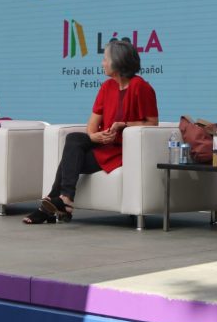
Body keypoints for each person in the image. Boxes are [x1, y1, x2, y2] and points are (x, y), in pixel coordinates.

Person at [23, 38, 159, 224]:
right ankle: (65, 201)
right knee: (74, 139)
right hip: (103, 142)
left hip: (120, 149)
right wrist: (94, 135)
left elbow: (152, 124)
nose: (102, 63)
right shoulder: (106, 87)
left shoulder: (140, 87)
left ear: (118, 61)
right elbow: (93, 122)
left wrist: (124, 125)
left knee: (68, 160)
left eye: (105, 59)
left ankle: (58, 203)